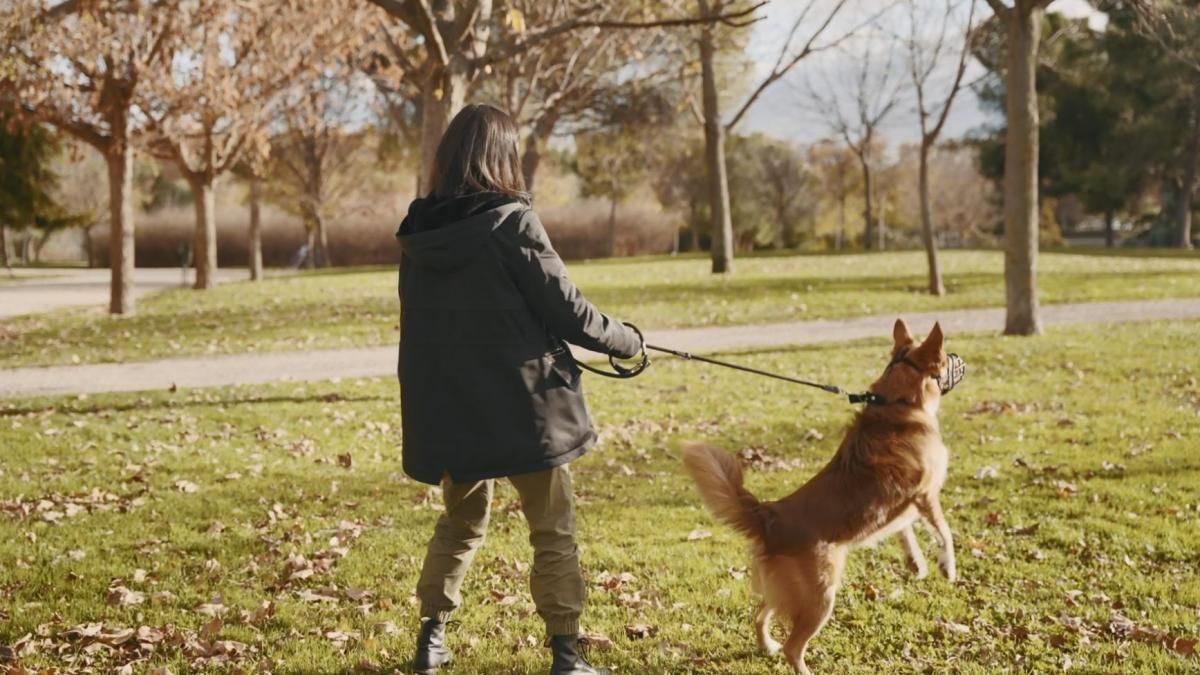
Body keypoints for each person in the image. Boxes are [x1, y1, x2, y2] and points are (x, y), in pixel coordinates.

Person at [395, 103, 643, 675]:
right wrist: (628, 340)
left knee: (460, 523)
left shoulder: (420, 233)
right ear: (502, 156)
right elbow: (571, 313)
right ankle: (566, 655)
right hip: (525, 406)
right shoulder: (513, 223)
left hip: (451, 409)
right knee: (552, 529)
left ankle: (431, 639)